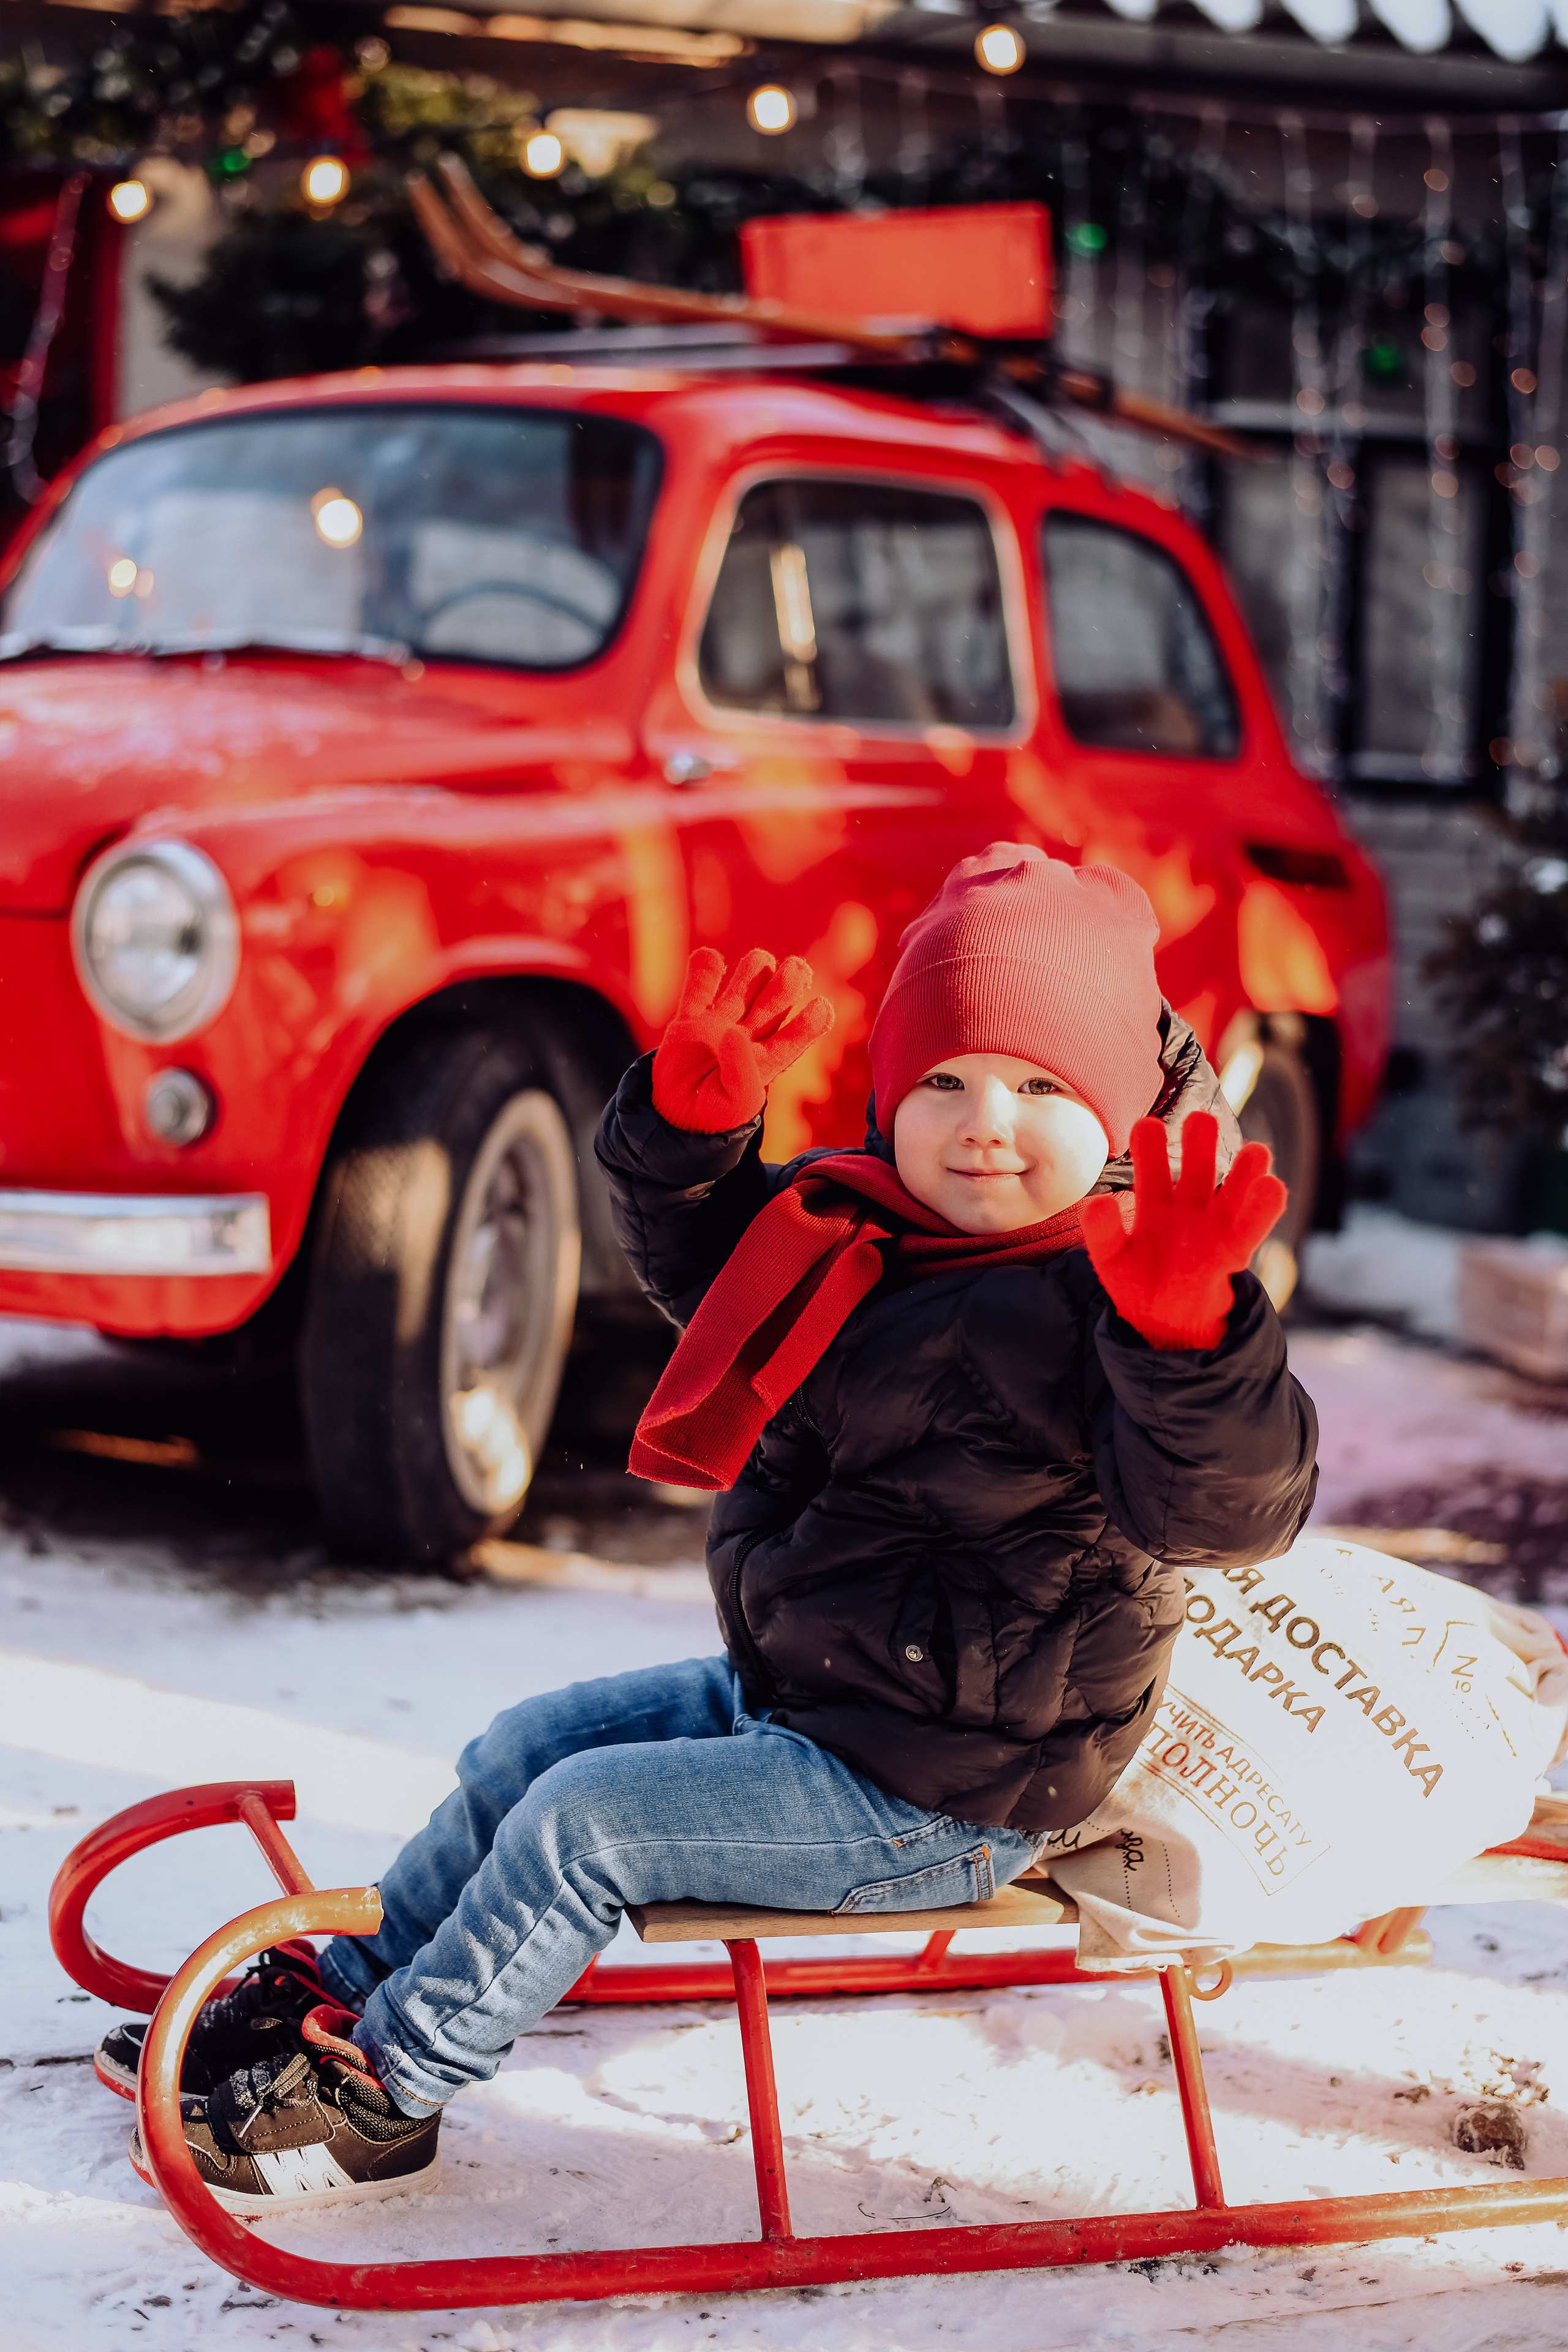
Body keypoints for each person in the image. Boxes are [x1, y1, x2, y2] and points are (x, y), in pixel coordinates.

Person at [111, 843, 1317, 2214]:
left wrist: (1189, 1343)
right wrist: (687, 1145)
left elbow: (1223, 1511)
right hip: (805, 1703)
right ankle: (344, 1990)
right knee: (525, 1749)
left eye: (1042, 1087)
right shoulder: (873, 1228)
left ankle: (384, 2093)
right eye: (944, 1079)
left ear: (1111, 1113)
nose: (986, 1120)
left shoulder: (1121, 1298)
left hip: (943, 1788)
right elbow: (720, 1278)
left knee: (586, 1824)